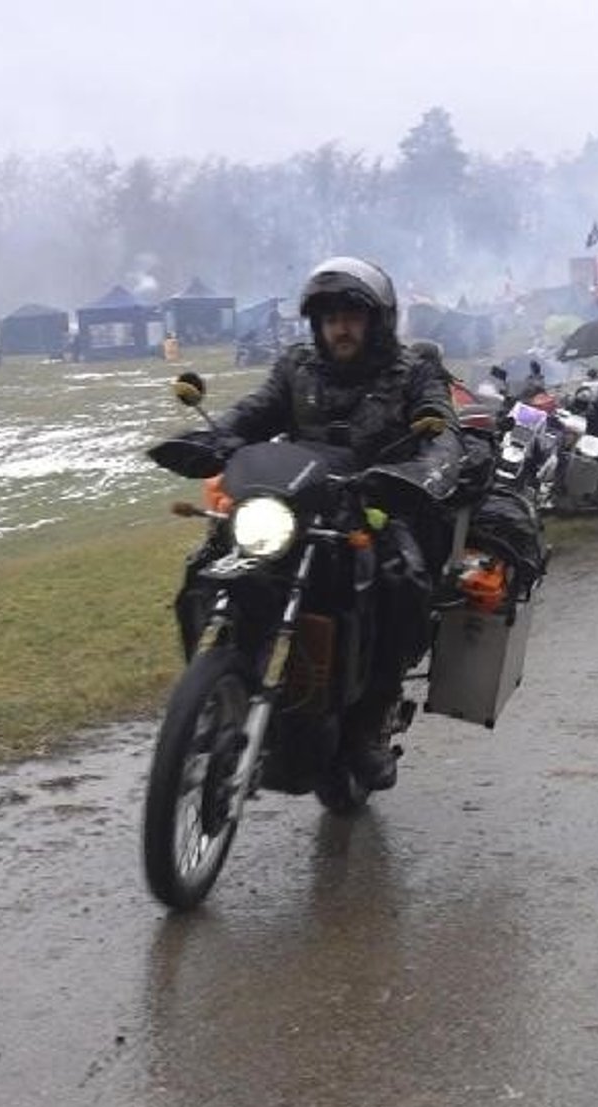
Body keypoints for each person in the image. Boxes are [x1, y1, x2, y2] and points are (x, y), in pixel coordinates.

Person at [195, 256, 463, 791]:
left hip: (374, 505)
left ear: (377, 321)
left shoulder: (413, 372)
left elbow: (442, 431)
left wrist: (427, 467)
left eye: (352, 316)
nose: (340, 327)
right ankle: (217, 690)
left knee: (403, 582)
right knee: (210, 560)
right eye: (329, 317)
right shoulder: (297, 366)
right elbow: (255, 411)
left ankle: (369, 723)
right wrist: (213, 435)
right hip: (296, 504)